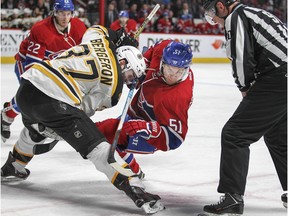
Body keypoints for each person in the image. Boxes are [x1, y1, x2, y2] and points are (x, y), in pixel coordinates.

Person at [1, 25, 164, 215]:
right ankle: (135, 189)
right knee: (97, 146)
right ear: (124, 63)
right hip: (53, 100)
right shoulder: (114, 90)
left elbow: (98, 28)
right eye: (130, 75)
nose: (128, 81)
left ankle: (13, 166)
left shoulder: (98, 40)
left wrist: (117, 37)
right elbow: (82, 110)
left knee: (35, 130)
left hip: (28, 87)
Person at [201, 0, 287, 215]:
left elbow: (240, 56)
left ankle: (232, 199)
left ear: (221, 6)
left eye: (213, 13)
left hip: (278, 77)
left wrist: (245, 86)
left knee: (234, 134)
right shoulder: (255, 12)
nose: (214, 19)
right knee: (278, 137)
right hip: (283, 75)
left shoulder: (235, 17)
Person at [94, 39, 194, 177]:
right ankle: (135, 171)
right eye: (170, 69)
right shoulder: (164, 49)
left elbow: (175, 138)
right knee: (112, 138)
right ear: (163, 62)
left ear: (186, 69)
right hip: (137, 110)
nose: (173, 75)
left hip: (148, 133)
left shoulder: (178, 97)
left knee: (106, 130)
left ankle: (72, 130)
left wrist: (148, 128)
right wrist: (139, 67)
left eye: (179, 72)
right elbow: (153, 51)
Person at [1, 0, 87, 142]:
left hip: (53, 65)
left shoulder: (78, 27)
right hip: (27, 62)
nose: (65, 18)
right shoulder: (41, 29)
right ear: (54, 13)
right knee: (30, 95)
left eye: (68, 14)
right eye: (61, 13)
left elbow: (83, 53)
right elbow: (32, 65)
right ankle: (7, 116)